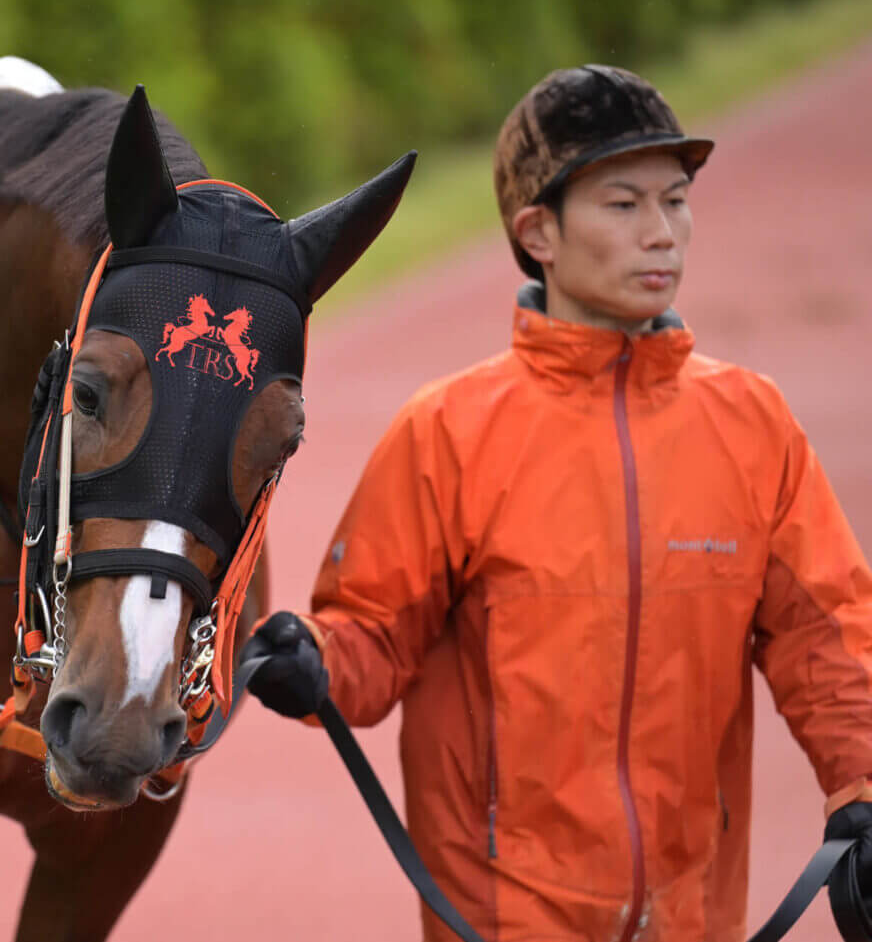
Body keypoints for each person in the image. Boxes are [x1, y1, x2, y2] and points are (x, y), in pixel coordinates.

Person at [242, 64, 872, 941]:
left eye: (677, 201)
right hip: (501, 916)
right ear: (538, 230)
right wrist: (310, 662)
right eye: (624, 205)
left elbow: (827, 631)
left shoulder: (753, 422)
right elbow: (372, 635)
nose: (664, 234)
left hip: (694, 917)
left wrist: (863, 788)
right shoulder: (447, 431)